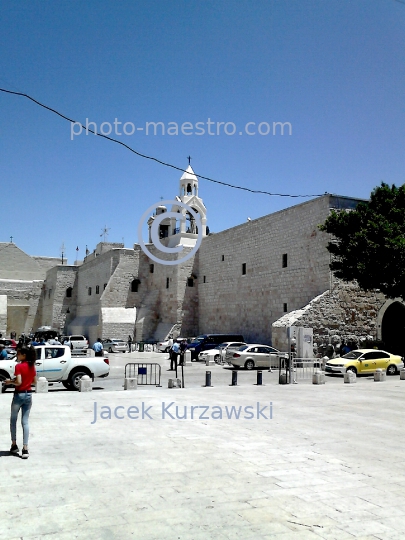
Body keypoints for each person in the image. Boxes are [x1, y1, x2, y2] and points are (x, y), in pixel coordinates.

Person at [4, 344, 37, 459]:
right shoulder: (32, 366)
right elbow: (34, 382)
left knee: (13, 420)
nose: (17, 355)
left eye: (18, 353)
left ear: (24, 355)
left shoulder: (19, 366)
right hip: (28, 394)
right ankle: (25, 448)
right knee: (25, 421)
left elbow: (18, 382)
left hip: (19, 395)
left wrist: (9, 382)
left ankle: (14, 445)